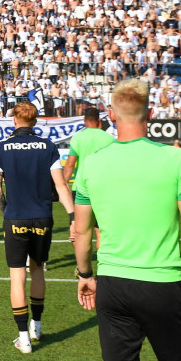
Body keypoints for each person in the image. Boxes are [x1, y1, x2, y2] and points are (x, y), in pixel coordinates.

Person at [73, 79, 181, 361]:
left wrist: (85, 274)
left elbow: (82, 232)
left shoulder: (92, 164)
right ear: (151, 113)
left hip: (113, 283)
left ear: (111, 115)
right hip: (162, 284)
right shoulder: (176, 160)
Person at [0, 102, 75, 354]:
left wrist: (8, 213)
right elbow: (60, 186)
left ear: (15, 120)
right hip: (42, 218)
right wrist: (72, 217)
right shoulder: (47, 147)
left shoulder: (1, 148)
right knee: (38, 271)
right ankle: (37, 326)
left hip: (15, 218)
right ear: (35, 121)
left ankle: (23, 338)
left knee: (17, 277)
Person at [62, 107, 113, 252]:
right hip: (102, 189)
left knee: (79, 230)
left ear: (84, 121)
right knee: (100, 231)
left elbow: (70, 165)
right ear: (99, 121)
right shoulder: (108, 138)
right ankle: (103, 263)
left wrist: (63, 187)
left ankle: (82, 267)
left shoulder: (78, 137)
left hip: (80, 188)